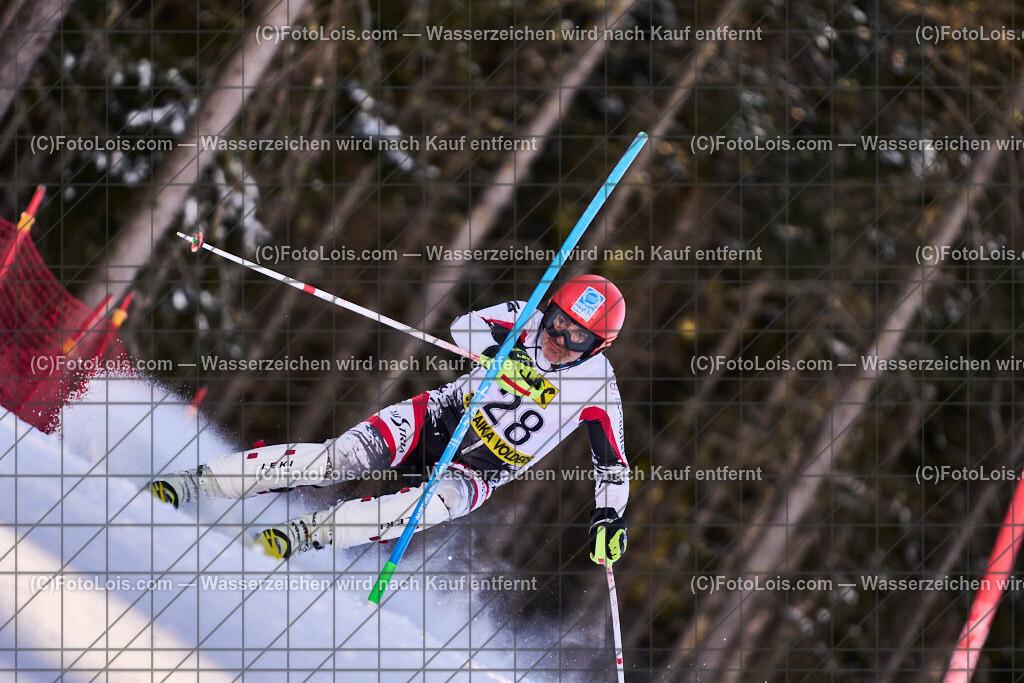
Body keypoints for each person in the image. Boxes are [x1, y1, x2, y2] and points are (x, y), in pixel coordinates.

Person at [147, 275, 629, 565]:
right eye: (558, 324)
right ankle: (199, 483)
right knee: (338, 460)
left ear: (598, 348)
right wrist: (501, 357)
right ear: (550, 311)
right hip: (438, 418)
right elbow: (463, 327)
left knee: (415, 512)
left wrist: (609, 517)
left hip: (480, 470)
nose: (558, 341)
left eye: (578, 340)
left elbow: (613, 467)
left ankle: (300, 536)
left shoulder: (598, 389)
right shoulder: (523, 317)